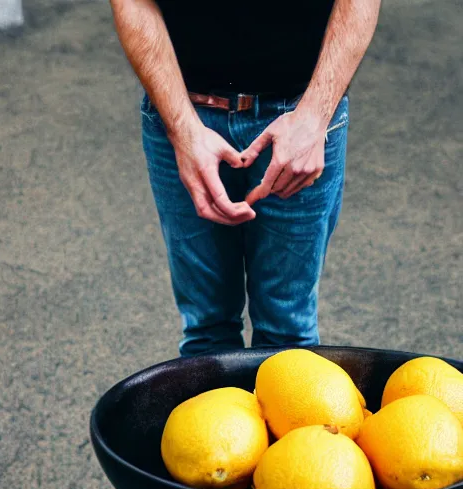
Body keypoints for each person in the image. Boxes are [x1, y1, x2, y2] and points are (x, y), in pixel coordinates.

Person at [110, 0, 381, 357]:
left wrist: (314, 117)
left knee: (287, 335)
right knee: (207, 334)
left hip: (302, 114)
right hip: (182, 110)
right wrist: (183, 131)